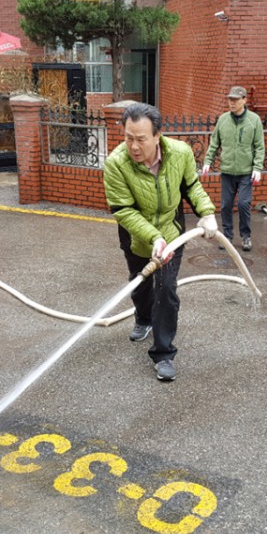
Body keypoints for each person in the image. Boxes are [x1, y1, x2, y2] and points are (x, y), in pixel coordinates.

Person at [103, 102, 217, 382]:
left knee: (165, 289)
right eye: (128, 137)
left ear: (157, 136)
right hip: (136, 236)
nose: (134, 146)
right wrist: (153, 237)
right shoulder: (116, 164)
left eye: (141, 139)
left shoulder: (180, 153)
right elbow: (123, 210)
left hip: (171, 233)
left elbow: (191, 186)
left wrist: (207, 213)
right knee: (140, 282)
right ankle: (143, 319)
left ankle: (163, 353)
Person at [202, 86, 265, 252]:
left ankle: (246, 236)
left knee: (243, 204)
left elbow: (259, 146)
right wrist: (208, 161)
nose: (232, 103)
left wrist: (257, 168)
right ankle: (227, 237)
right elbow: (214, 142)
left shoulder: (254, 120)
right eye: (230, 99)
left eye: (236, 100)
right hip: (227, 171)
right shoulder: (223, 120)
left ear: (244, 100)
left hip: (246, 172)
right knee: (226, 205)